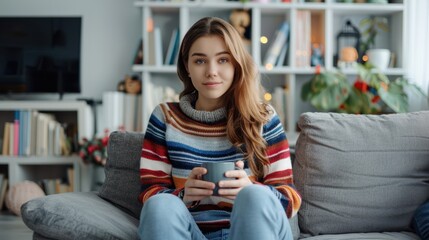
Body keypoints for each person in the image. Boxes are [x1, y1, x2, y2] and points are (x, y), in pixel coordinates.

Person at [138, 16, 301, 240]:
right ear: (187, 66)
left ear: (236, 64)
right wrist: (184, 195)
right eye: (200, 61)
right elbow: (149, 196)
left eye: (223, 60)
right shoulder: (165, 117)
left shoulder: (263, 117)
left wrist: (249, 190)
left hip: (252, 230)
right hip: (192, 233)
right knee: (160, 205)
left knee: (254, 197)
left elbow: (290, 199)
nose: (211, 71)